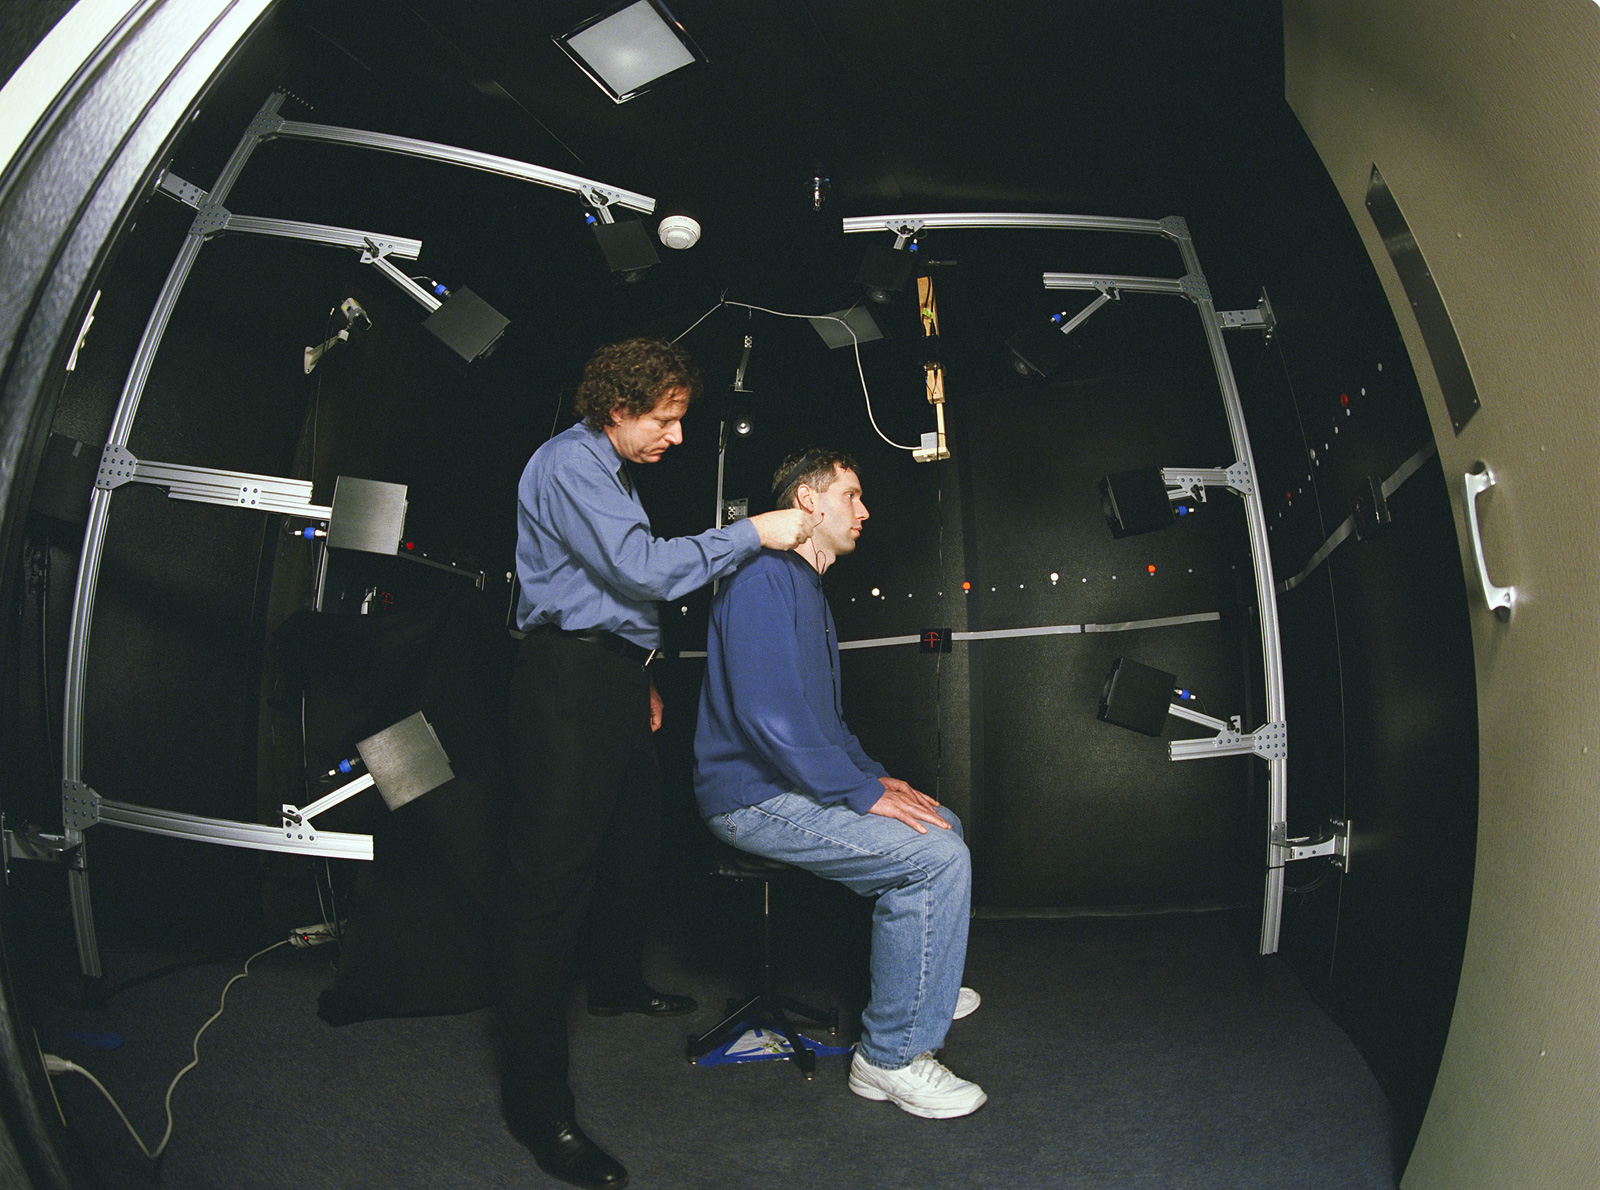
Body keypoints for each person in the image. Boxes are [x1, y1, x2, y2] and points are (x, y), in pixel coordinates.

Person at [501, 338, 819, 1190]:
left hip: (607, 677)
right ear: (616, 410)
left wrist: (636, 673)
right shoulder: (570, 464)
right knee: (549, 886)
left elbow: (611, 593)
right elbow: (644, 570)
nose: (676, 437)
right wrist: (753, 531)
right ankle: (538, 1104)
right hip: (566, 680)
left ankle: (612, 983)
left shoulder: (610, 472)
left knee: (636, 839)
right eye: (666, 419)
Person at [693, 448, 986, 1119]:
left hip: (782, 785)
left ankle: (923, 990)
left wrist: (877, 778)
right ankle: (887, 1060)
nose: (864, 511)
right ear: (806, 500)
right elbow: (768, 718)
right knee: (933, 857)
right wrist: (858, 794)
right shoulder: (763, 577)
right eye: (851, 496)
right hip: (748, 798)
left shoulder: (805, 589)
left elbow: (821, 724)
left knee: (941, 824)